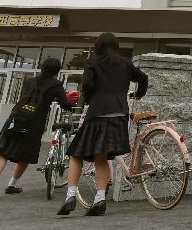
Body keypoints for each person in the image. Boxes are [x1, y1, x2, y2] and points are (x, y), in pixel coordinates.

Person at [57, 33, 148, 217]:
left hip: (98, 113)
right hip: (119, 114)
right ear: (116, 46)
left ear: (98, 46)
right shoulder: (126, 63)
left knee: (76, 154)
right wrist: (138, 95)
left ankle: (71, 195)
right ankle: (100, 199)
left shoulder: (93, 62)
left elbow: (88, 85)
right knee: (102, 157)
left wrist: (88, 99)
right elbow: (143, 78)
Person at [0, 57, 73, 200]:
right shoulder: (56, 85)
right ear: (57, 71)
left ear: (42, 67)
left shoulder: (30, 81)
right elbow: (64, 103)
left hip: (16, 118)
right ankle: (12, 184)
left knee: (3, 152)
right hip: (34, 123)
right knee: (25, 156)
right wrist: (70, 104)